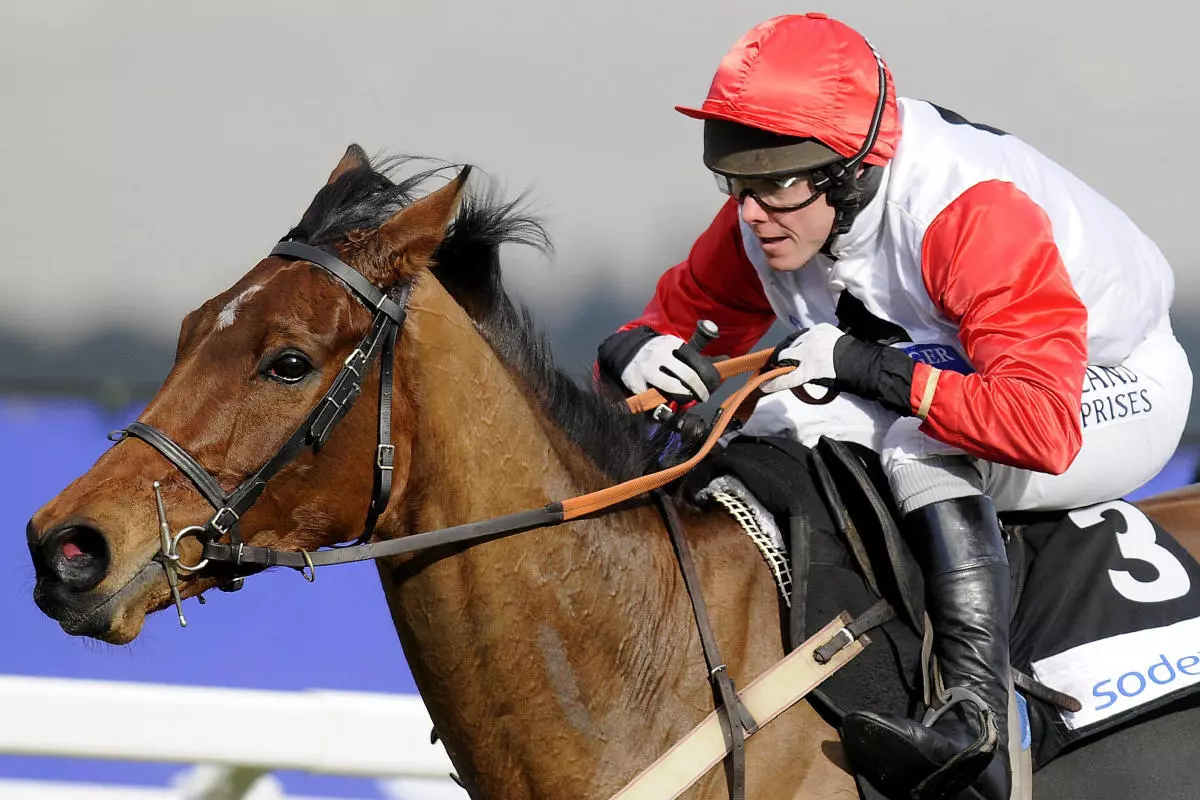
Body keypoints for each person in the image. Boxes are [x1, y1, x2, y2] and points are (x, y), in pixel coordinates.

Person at [595, 13, 1192, 800]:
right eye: (736, 183)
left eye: (776, 185)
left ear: (848, 174)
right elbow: (664, 336)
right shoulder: (773, 209)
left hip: (1105, 381)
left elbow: (1036, 426)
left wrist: (864, 367)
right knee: (776, 416)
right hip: (973, 368)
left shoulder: (971, 216)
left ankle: (974, 720)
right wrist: (634, 351)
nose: (751, 213)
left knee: (917, 439)